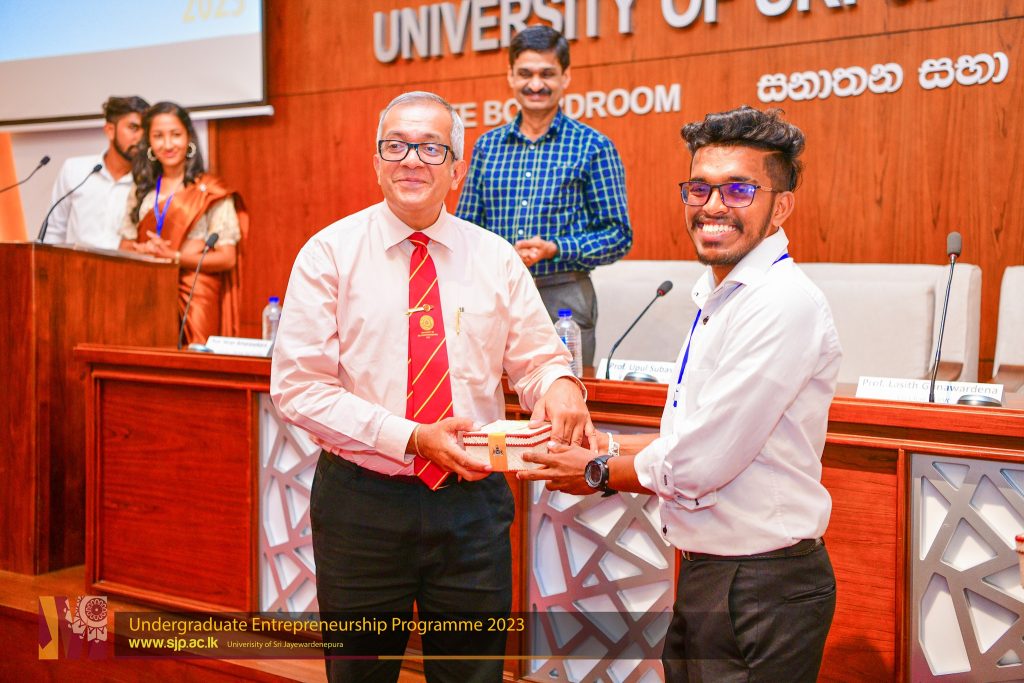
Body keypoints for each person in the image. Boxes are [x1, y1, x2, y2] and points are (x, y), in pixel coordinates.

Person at [270, 91, 593, 683]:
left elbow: (539, 359)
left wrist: (561, 384)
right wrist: (412, 438)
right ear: (376, 161)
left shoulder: (495, 258)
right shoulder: (329, 254)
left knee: (472, 674)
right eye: (395, 146)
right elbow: (298, 388)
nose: (411, 160)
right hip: (361, 504)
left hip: (472, 506)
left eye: (430, 148)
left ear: (457, 168)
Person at [520, 106, 843, 682]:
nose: (713, 205)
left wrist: (597, 470)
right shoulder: (723, 293)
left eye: (738, 189)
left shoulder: (779, 303)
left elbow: (701, 462)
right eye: (699, 188)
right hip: (713, 572)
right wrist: (607, 444)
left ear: (780, 207)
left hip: (762, 584)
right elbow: (691, 436)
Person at [456, 25, 632, 367]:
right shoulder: (487, 147)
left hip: (564, 297)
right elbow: (465, 229)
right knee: (493, 391)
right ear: (510, 75)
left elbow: (617, 235)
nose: (535, 84)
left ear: (565, 77)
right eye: (525, 73)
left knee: (565, 392)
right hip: (495, 293)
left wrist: (556, 248)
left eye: (547, 74)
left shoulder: (594, 146)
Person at [118, 101, 248, 345]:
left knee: (194, 363)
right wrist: (144, 252)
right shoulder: (142, 189)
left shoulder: (210, 192)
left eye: (175, 134)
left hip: (196, 298)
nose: (168, 144)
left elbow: (227, 258)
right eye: (158, 136)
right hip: (147, 296)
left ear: (188, 137)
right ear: (149, 142)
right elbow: (124, 246)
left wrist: (174, 257)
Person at [44, 95, 149, 249]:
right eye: (133, 128)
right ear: (110, 131)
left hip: (125, 264)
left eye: (145, 130)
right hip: (75, 263)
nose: (140, 137)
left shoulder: (149, 180)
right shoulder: (75, 169)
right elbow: (53, 230)